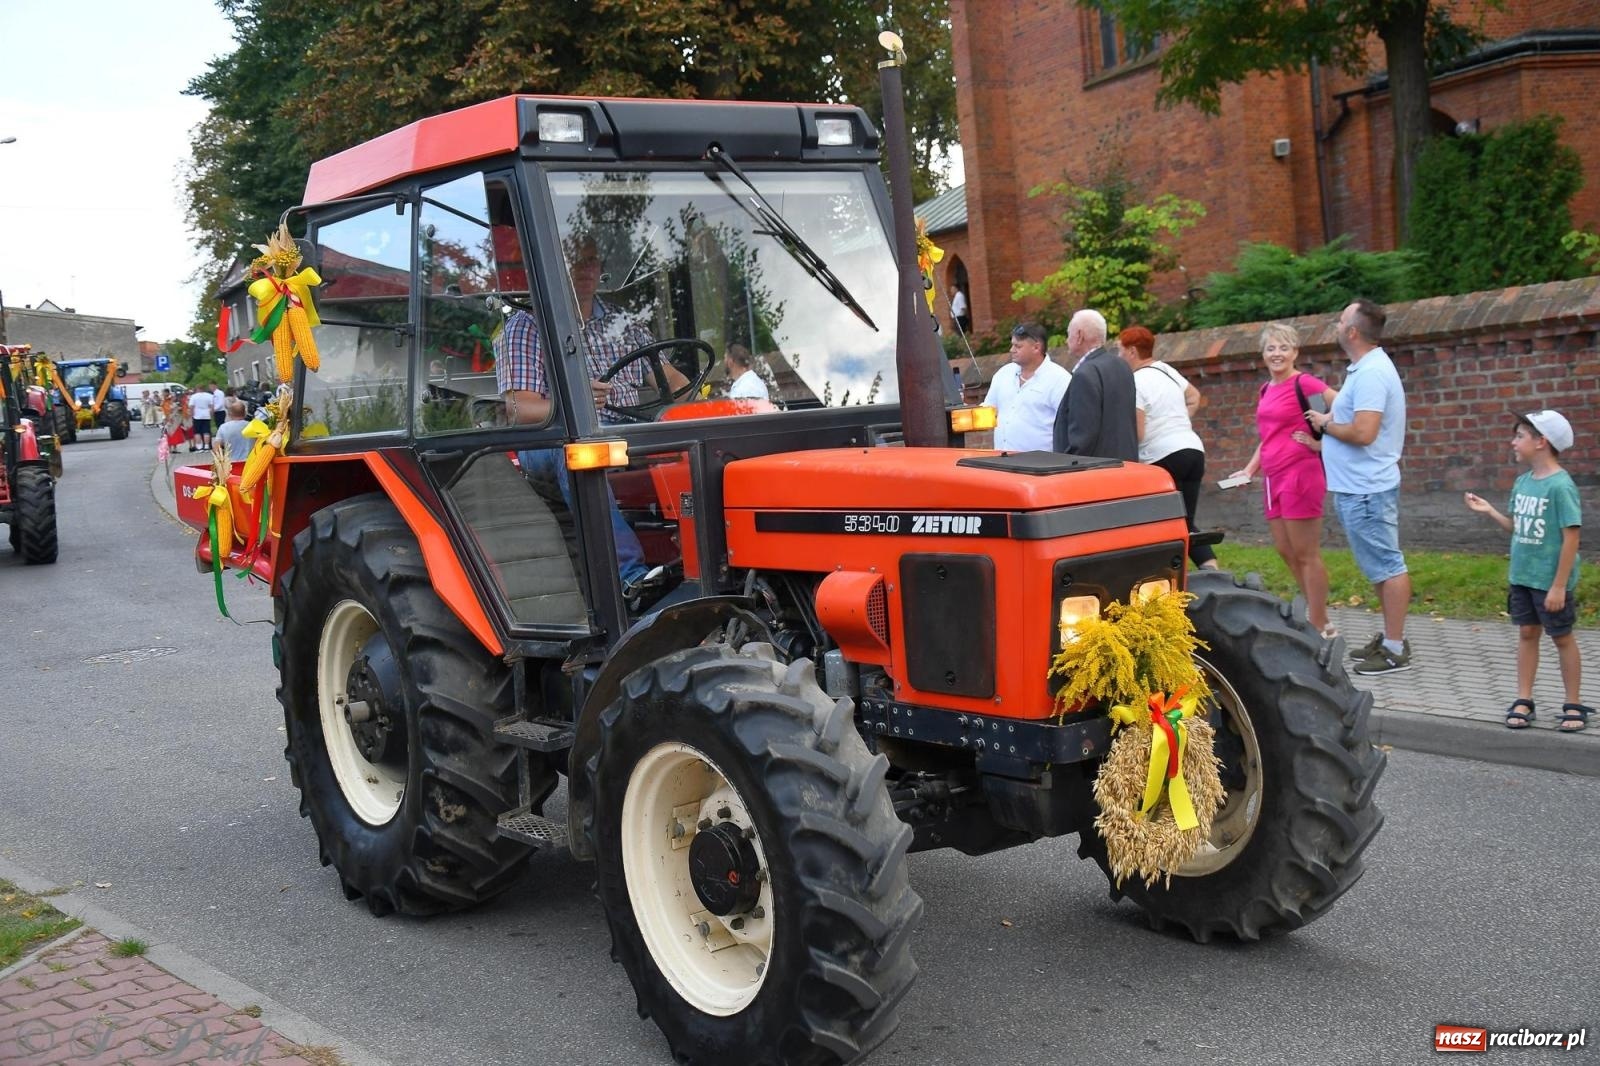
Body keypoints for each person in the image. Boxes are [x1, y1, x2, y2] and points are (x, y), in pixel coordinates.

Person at [495, 236, 688, 606]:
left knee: (703, 446)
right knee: (582, 454)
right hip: (552, 440)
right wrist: (575, 400)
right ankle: (630, 578)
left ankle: (704, 562)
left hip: (628, 435)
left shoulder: (622, 324)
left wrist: (706, 398)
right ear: (557, 268)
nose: (586, 269)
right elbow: (519, 409)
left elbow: (671, 381)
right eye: (576, 261)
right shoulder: (527, 326)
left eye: (592, 260)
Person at [1304, 299, 1411, 675]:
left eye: (1340, 319)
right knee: (1379, 567)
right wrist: (1329, 420)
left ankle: (1396, 647)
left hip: (1367, 488)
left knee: (1388, 565)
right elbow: (1355, 419)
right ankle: (1390, 637)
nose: (1336, 324)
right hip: (1359, 487)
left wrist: (1326, 425)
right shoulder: (1364, 369)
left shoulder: (1371, 374)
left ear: (1353, 331)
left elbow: (1364, 432)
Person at [1465, 411, 1590, 732]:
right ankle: (1524, 698)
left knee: (1561, 637)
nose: (1513, 442)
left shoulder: (1561, 486)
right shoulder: (1522, 483)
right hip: (1522, 576)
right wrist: (1490, 510)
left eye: (1520, 436)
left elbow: (1571, 538)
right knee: (1526, 634)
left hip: (1550, 582)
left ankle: (1573, 702)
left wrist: (1559, 586)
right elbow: (1518, 528)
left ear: (1541, 442)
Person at [1229, 323, 1336, 636]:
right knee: (1286, 550)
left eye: (1283, 348)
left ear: (1295, 352)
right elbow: (1269, 437)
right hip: (1272, 477)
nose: (1277, 354)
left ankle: (1319, 623)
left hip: (1300, 473)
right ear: (1263, 354)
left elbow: (1338, 408)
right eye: (1271, 348)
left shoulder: (1305, 384)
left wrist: (1322, 443)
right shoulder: (1267, 389)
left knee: (1306, 553)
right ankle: (1317, 614)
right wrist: (1249, 469)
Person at [1120, 325, 1216, 570]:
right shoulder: (1167, 370)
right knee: (1186, 522)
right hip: (1193, 449)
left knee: (1161, 523)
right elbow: (1194, 396)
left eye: (1120, 351)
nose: (1119, 357)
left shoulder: (1135, 381)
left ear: (1132, 351)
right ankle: (1214, 572)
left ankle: (1167, 580)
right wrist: (1178, 423)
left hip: (1163, 457)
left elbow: (1139, 433)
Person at [1053, 308, 1137, 460]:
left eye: (1068, 334)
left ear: (1079, 336)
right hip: (1125, 465)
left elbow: (1083, 435)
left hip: (1096, 471)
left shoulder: (1085, 374)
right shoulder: (1122, 366)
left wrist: (1069, 465)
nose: (1066, 340)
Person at [983, 322, 1070, 453]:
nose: (1011, 350)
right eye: (1012, 345)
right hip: (1002, 462)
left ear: (1036, 347)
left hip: (1041, 465)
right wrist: (965, 409)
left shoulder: (1059, 379)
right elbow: (988, 412)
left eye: (1018, 346)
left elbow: (1068, 424)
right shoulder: (1003, 374)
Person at [187, 383, 215, 451]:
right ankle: (206, 446)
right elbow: (212, 406)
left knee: (197, 432)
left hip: (197, 415)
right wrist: (211, 414)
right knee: (206, 431)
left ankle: (199, 446)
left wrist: (192, 414)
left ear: (197, 389)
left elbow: (191, 406)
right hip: (206, 415)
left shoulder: (194, 396)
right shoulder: (209, 396)